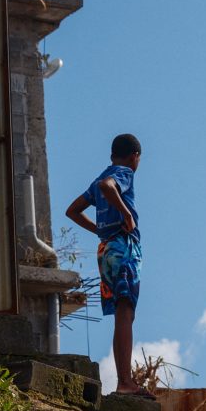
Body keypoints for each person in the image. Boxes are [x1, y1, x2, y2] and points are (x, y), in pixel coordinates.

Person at [67, 133, 144, 396]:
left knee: (122, 314)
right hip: (122, 248)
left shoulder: (99, 177)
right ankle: (125, 382)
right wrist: (126, 215)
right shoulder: (124, 172)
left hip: (106, 248)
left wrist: (99, 230)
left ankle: (124, 379)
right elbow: (108, 187)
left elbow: (73, 210)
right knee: (126, 312)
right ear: (135, 157)